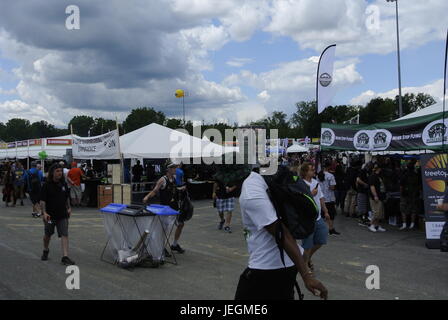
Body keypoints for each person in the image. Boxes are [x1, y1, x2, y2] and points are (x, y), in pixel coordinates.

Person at [235, 167, 327, 300]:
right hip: (287, 264)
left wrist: (306, 275)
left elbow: (281, 234)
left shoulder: (251, 192)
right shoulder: (265, 178)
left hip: (268, 269)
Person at [143, 161, 186, 253]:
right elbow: (155, 191)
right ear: (169, 169)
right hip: (165, 209)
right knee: (164, 230)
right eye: (174, 168)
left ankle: (174, 244)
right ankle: (161, 247)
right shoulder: (162, 180)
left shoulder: (174, 178)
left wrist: (181, 188)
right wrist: (147, 196)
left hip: (174, 208)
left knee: (180, 224)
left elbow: (174, 188)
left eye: (176, 167)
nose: (176, 169)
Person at [40, 163, 75, 265]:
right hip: (50, 216)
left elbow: (66, 197)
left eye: (61, 171)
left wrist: (69, 208)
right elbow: (43, 201)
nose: (60, 173)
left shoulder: (63, 184)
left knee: (64, 234)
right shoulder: (46, 185)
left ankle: (65, 257)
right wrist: (44, 213)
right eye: (57, 171)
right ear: (52, 173)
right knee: (48, 234)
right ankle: (46, 249)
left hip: (62, 215)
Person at [300, 162, 331, 271]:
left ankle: (307, 259)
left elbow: (321, 198)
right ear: (305, 172)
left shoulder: (315, 182)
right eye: (311, 170)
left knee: (321, 239)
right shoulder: (300, 184)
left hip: (318, 217)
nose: (314, 171)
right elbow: (299, 200)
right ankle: (304, 267)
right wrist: (310, 194)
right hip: (307, 219)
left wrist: (326, 211)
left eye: (313, 169)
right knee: (307, 245)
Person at [319, 161, 340, 235]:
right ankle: (330, 229)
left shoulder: (319, 175)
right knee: (331, 214)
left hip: (321, 197)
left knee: (322, 214)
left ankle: (326, 229)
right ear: (329, 167)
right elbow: (332, 187)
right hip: (329, 198)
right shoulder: (330, 176)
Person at [399, 161, 421, 230]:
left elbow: (401, 186)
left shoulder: (404, 175)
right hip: (414, 195)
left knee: (403, 210)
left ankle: (404, 224)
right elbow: (419, 185)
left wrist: (401, 193)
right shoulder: (416, 175)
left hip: (405, 195)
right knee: (413, 210)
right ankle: (412, 224)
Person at [368, 164, 387, 232]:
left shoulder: (379, 176)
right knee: (376, 212)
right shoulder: (372, 176)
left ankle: (377, 225)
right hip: (375, 197)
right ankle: (371, 225)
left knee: (380, 213)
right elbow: (372, 187)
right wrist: (375, 195)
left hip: (380, 196)